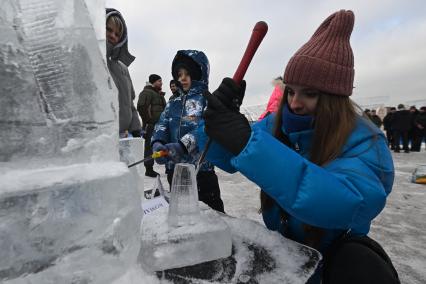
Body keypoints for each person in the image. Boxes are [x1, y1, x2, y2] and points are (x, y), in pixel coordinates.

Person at [199, 10, 399, 283]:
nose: (294, 103)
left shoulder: (366, 140)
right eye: (290, 90)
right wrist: (213, 122)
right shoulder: (275, 124)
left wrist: (249, 144)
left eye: (310, 93)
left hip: (330, 266)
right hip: (284, 259)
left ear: (335, 97)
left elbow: (345, 201)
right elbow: (221, 154)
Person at [151, 50, 225, 213]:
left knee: (211, 215)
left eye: (187, 73)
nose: (182, 78)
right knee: (182, 215)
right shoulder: (172, 103)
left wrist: (181, 146)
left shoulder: (207, 100)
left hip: (201, 171)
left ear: (198, 75)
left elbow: (205, 128)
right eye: (179, 74)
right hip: (175, 171)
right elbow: (162, 124)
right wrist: (158, 143)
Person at [106, 8, 141, 138]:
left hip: (124, 136)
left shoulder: (123, 68)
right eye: (108, 29)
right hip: (99, 139)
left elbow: (130, 103)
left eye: (117, 34)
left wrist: (136, 129)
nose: (113, 36)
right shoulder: (89, 59)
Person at [137, 74, 166, 177]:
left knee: (161, 144)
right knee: (149, 147)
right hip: (151, 125)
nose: (161, 83)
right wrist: (149, 120)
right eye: (159, 81)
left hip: (160, 125)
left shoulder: (159, 94)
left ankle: (166, 165)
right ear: (153, 82)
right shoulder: (147, 92)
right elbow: (141, 107)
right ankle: (149, 169)